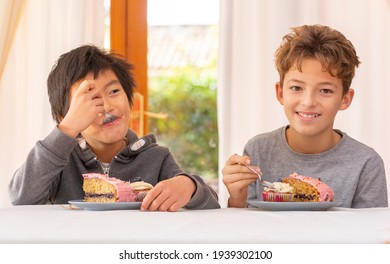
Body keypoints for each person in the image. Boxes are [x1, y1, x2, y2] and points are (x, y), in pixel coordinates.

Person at [8, 44, 220, 211]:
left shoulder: (157, 158)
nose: (108, 106)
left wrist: (188, 185)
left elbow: (211, 203)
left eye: (114, 92)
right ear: (66, 116)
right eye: (91, 98)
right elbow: (21, 198)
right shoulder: (60, 162)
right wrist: (67, 129)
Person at [222, 24, 388, 208]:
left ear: (345, 99)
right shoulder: (258, 151)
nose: (308, 102)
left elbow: (373, 232)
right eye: (296, 88)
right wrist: (237, 197)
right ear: (280, 93)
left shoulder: (366, 163)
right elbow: (245, 229)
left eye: (325, 90)